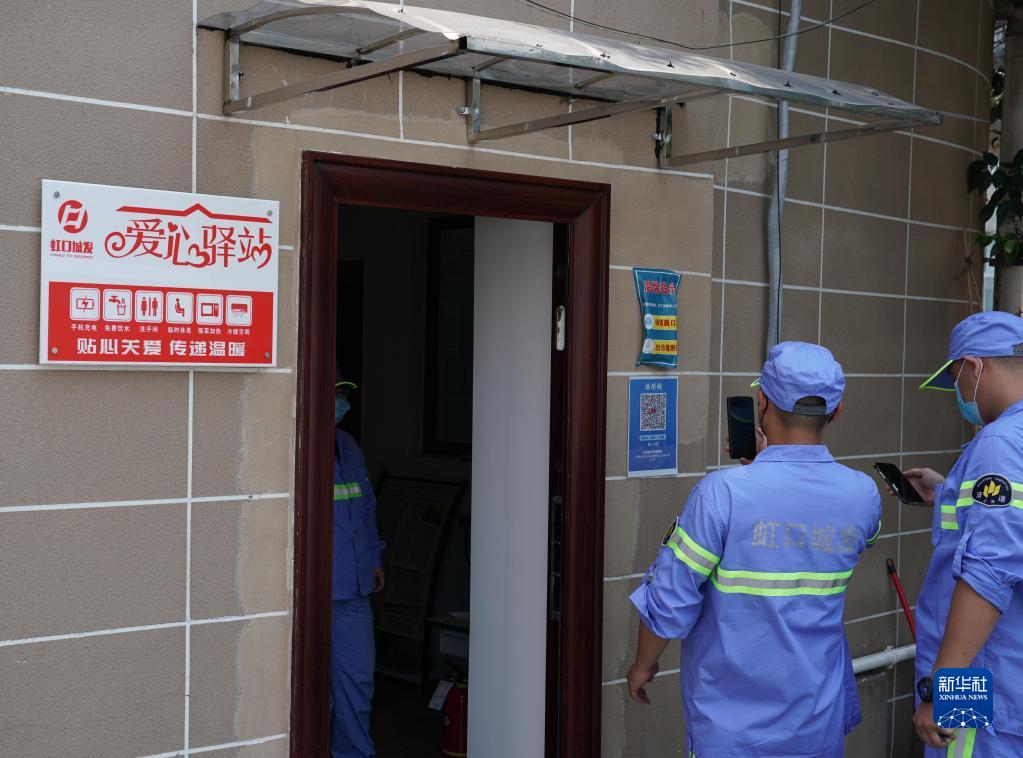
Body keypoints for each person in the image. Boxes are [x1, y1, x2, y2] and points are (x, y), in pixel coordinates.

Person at [627, 341, 882, 758]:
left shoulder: (721, 494)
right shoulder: (862, 494)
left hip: (732, 734)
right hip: (816, 726)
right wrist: (768, 469)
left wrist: (643, 665)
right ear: (837, 411)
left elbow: (670, 599)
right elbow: (848, 534)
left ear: (761, 400)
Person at [907, 311, 1023, 757]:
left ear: (975, 367)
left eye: (956, 379)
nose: (957, 393)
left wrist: (943, 691)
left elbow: (990, 572)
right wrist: (950, 492)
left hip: (985, 679)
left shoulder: (1000, 443)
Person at [331, 371, 386, 758]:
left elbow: (366, 508)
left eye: (343, 395)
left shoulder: (348, 445)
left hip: (354, 589)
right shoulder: (299, 441)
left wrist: (375, 558)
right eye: (335, 395)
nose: (342, 403)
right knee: (314, 688)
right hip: (316, 589)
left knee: (356, 682)